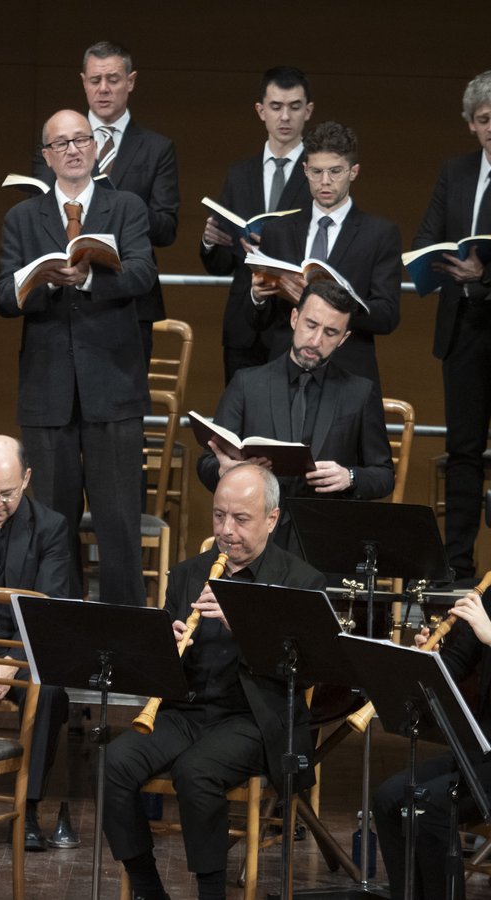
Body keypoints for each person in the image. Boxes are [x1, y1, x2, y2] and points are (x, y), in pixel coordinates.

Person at [103, 463, 325, 900]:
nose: (226, 530)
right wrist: (160, 646)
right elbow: (159, 664)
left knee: (196, 772)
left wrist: (246, 628)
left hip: (253, 718)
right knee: (114, 761)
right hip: (186, 709)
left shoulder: (301, 581)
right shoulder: (190, 572)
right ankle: (148, 887)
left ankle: (211, 893)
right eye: (219, 515)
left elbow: (306, 669)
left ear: (272, 519)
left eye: (241, 519)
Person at [0, 108, 157, 606]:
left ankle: (126, 639)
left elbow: (143, 275)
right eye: (60, 143)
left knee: (119, 524)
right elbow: (1, 295)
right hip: (48, 390)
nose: (72, 149)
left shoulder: (125, 207)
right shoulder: (23, 217)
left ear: (96, 147)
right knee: (50, 527)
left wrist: (88, 278)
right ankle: (56, 643)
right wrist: (37, 282)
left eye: (81, 139)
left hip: (113, 386)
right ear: (46, 156)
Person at [196, 281, 394, 548]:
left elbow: (383, 475)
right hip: (254, 540)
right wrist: (226, 471)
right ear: (294, 318)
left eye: (331, 332)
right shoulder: (247, 383)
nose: (316, 341)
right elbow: (207, 462)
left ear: (343, 339)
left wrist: (349, 476)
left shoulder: (359, 392)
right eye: (311, 325)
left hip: (326, 541)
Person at [31, 40, 178, 366]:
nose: (104, 89)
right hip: (62, 298)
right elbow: (40, 217)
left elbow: (167, 229)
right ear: (83, 82)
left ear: (131, 81)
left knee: (123, 410)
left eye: (113, 79)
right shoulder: (54, 141)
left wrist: (124, 206)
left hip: (131, 300)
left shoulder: (157, 148)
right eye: (95, 80)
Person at [0, 434, 80, 851]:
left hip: (26, 652)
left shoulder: (50, 527)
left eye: (7, 494)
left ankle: (29, 808)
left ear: (27, 479)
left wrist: (13, 661)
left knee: (51, 692)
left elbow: (47, 606)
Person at [249, 121, 401, 396]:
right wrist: (258, 297)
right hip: (283, 372)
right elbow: (261, 322)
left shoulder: (380, 234)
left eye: (335, 171)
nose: (325, 181)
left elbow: (387, 317)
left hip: (349, 374)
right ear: (305, 170)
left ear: (353, 172)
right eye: (317, 172)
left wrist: (331, 304)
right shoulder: (278, 231)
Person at [411, 70, 491, 585]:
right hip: (463, 328)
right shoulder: (456, 172)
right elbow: (427, 235)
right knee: (464, 450)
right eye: (484, 119)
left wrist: (486, 277)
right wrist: (440, 261)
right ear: (470, 124)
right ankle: (459, 565)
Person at [373, 584, 491, 900]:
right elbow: (455, 663)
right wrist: (430, 660)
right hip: (483, 748)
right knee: (389, 799)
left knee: (432, 807)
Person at [200, 66, 314, 383]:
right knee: (237, 425)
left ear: (308, 111)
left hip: (293, 322)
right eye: (276, 107)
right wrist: (210, 242)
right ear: (261, 111)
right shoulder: (240, 175)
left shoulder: (319, 175)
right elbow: (220, 263)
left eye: (294, 107)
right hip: (242, 327)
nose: (285, 117)